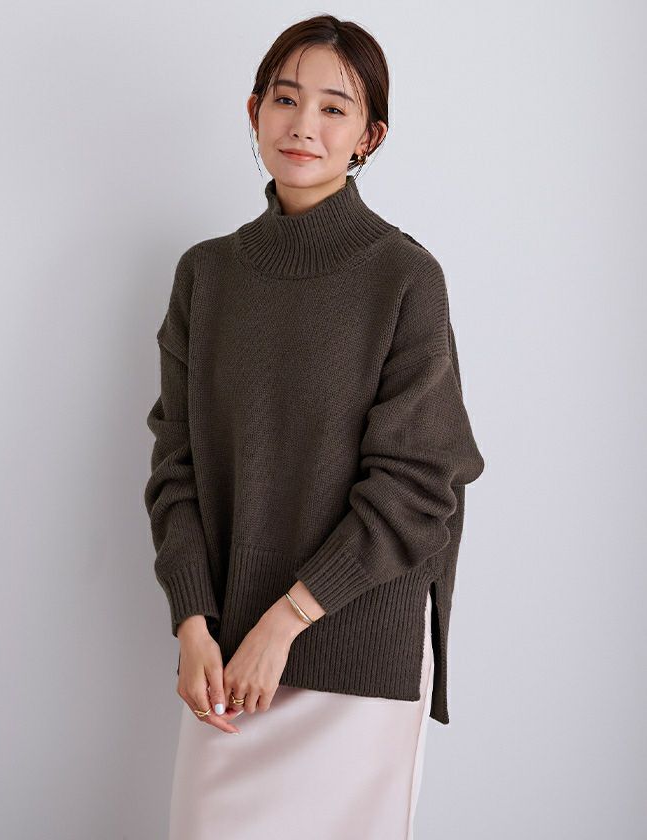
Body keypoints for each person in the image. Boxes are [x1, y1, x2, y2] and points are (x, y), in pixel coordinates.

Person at [144, 14, 485, 839]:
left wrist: (286, 621)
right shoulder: (206, 274)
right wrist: (192, 621)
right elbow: (176, 468)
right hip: (228, 655)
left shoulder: (404, 276)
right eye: (286, 98)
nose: (304, 125)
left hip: (353, 651)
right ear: (255, 110)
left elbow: (419, 483)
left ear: (370, 136)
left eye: (335, 108)